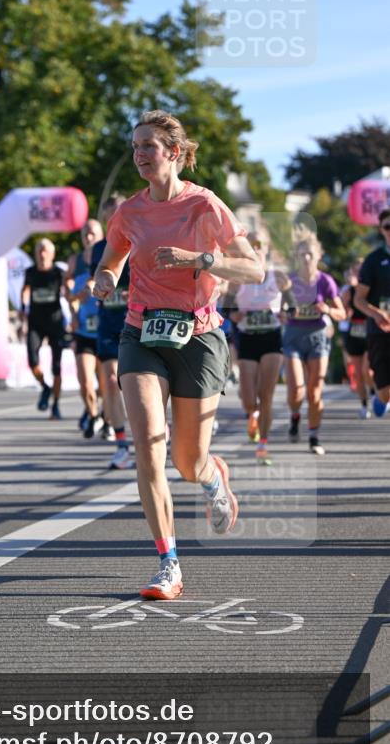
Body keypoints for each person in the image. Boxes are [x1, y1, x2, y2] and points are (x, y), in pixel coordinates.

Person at [93, 110, 263, 601]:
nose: (139, 155)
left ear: (174, 152)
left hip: (199, 336)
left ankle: (212, 476)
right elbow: (111, 261)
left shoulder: (204, 204)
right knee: (149, 442)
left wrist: (200, 260)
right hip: (141, 332)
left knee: (187, 462)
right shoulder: (129, 212)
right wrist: (105, 280)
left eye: (148, 145)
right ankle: (168, 562)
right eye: (134, 147)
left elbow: (253, 270)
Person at [227, 232, 293, 464]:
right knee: (248, 399)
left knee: (266, 395)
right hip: (247, 340)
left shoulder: (279, 277)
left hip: (271, 339)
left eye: (259, 245)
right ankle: (251, 413)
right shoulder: (237, 279)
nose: (255, 249)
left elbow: (293, 305)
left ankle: (263, 445)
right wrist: (234, 315)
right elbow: (226, 307)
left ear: (266, 249)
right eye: (250, 245)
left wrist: (286, 313)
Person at [283, 237, 345, 455]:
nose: (307, 258)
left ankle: (314, 436)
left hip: (317, 337)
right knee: (296, 391)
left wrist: (327, 310)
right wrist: (286, 312)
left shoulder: (326, 281)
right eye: (302, 254)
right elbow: (278, 310)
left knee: (315, 391)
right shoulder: (290, 281)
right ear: (297, 257)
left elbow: (342, 313)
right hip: (293, 337)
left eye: (310, 253)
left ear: (319, 255)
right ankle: (295, 415)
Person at [90, 195, 133, 467]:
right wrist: (95, 288)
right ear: (106, 218)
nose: (117, 219)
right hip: (107, 321)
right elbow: (94, 279)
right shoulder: (97, 250)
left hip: (136, 321)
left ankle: (156, 431)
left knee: (138, 384)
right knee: (108, 380)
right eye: (113, 214)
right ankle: (121, 442)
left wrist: (134, 292)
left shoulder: (139, 242)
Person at [65, 219, 105, 434]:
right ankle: (93, 415)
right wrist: (73, 310)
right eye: (85, 234)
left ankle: (107, 417)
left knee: (107, 383)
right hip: (83, 329)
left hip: (106, 328)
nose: (88, 238)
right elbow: (68, 293)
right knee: (86, 381)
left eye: (92, 234)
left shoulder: (110, 256)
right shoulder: (76, 260)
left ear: (101, 235)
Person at [20, 238, 66, 420]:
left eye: (45, 250)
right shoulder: (30, 272)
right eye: (39, 250)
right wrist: (23, 307)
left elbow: (67, 290)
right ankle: (45, 387)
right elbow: (25, 290)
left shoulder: (58, 273)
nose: (42, 254)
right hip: (35, 323)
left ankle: (55, 405)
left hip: (55, 322)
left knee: (56, 367)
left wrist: (72, 297)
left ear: (52, 254)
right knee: (32, 362)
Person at [354, 207, 390, 418]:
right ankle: (381, 397)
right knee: (386, 391)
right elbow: (358, 299)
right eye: (387, 227)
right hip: (379, 331)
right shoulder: (374, 260)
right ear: (381, 230)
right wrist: (376, 314)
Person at [341, 258, 373, 418]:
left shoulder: (373, 289)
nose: (359, 274)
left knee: (367, 370)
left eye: (362, 270)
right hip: (354, 333)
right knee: (358, 374)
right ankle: (364, 405)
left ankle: (374, 391)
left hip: (370, 332)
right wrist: (346, 312)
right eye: (356, 270)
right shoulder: (349, 291)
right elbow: (340, 310)